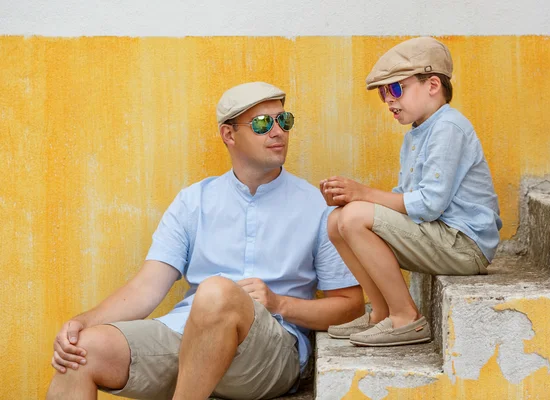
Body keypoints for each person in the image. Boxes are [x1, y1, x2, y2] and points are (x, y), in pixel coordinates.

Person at [47, 81, 364, 399]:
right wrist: (82, 322)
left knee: (217, 292)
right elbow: (146, 288)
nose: (278, 131)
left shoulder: (316, 207)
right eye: (262, 123)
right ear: (229, 135)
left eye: (284, 120)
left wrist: (279, 303)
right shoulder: (193, 201)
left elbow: (350, 307)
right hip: (187, 335)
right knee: (80, 352)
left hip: (269, 353)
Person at [321, 37, 502, 347]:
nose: (389, 101)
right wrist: (350, 199)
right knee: (336, 222)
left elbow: (429, 204)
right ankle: (381, 311)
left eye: (395, 89)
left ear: (432, 85)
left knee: (353, 218)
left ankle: (406, 317)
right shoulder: (418, 132)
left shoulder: (449, 128)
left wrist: (363, 194)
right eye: (383, 93)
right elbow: (404, 198)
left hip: (463, 244)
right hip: (438, 235)